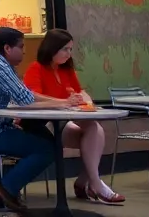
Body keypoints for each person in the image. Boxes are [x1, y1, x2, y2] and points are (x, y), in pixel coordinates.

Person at [0, 27, 85, 214]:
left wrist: (63, 102)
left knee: (49, 143)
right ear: (7, 48)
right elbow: (26, 102)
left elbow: (27, 95)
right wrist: (64, 103)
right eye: (21, 46)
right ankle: (5, 188)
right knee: (48, 148)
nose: (25, 50)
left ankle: (7, 187)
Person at [24, 30, 124, 205]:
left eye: (70, 49)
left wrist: (86, 101)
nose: (68, 54)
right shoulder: (36, 68)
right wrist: (65, 101)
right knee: (94, 131)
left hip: (64, 121)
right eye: (65, 49)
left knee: (94, 128)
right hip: (43, 124)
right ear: (52, 48)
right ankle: (94, 184)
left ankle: (88, 181)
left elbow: (79, 92)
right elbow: (32, 96)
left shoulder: (66, 70)